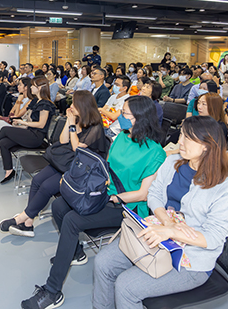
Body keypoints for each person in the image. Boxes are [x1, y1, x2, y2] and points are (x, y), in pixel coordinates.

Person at [21, 96, 166, 309]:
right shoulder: (122, 138)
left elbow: (143, 194)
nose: (120, 117)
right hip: (105, 194)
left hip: (127, 207)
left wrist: (111, 197)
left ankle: (52, 291)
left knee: (71, 220)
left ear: (139, 118)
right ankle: (76, 252)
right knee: (59, 206)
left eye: (124, 114)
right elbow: (105, 169)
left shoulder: (155, 152)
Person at [92, 116, 228, 309]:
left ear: (206, 145)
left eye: (187, 138)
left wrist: (172, 232)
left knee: (126, 286)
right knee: (103, 262)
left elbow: (214, 238)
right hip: (159, 235)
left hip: (191, 260)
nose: (179, 142)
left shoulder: (224, 186)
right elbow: (154, 194)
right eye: (182, 135)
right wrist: (166, 222)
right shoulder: (174, 162)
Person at [0, 91, 107, 238]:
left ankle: (21, 218)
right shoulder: (77, 118)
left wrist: (73, 126)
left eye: (74, 103)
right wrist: (70, 122)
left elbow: (77, 148)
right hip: (68, 162)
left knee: (47, 186)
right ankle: (28, 221)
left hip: (82, 171)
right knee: (37, 180)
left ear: (82, 105)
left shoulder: (96, 126)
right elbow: (63, 141)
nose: (71, 106)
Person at [0, 77, 56, 184]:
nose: (30, 87)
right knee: (3, 142)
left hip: (36, 137)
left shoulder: (45, 104)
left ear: (40, 88)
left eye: (33, 85)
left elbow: (41, 125)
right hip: (30, 132)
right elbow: (29, 117)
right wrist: (21, 121)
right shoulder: (36, 101)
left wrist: (23, 122)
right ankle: (9, 171)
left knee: (4, 130)